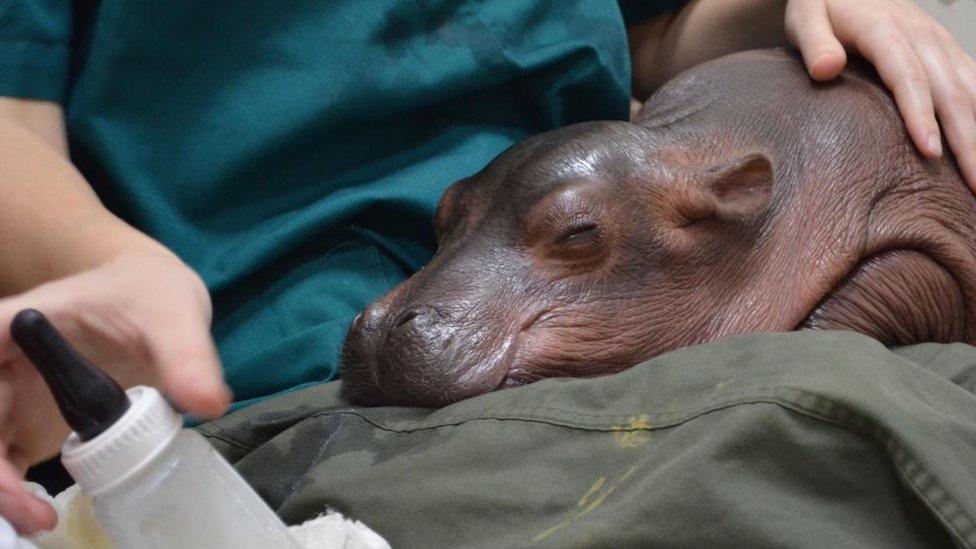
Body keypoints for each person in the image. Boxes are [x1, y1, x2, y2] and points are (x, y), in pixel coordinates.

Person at [0, 0, 974, 535]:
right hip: (294, 386)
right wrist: (115, 262)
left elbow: (642, 32)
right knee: (835, 435)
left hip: (593, 301)